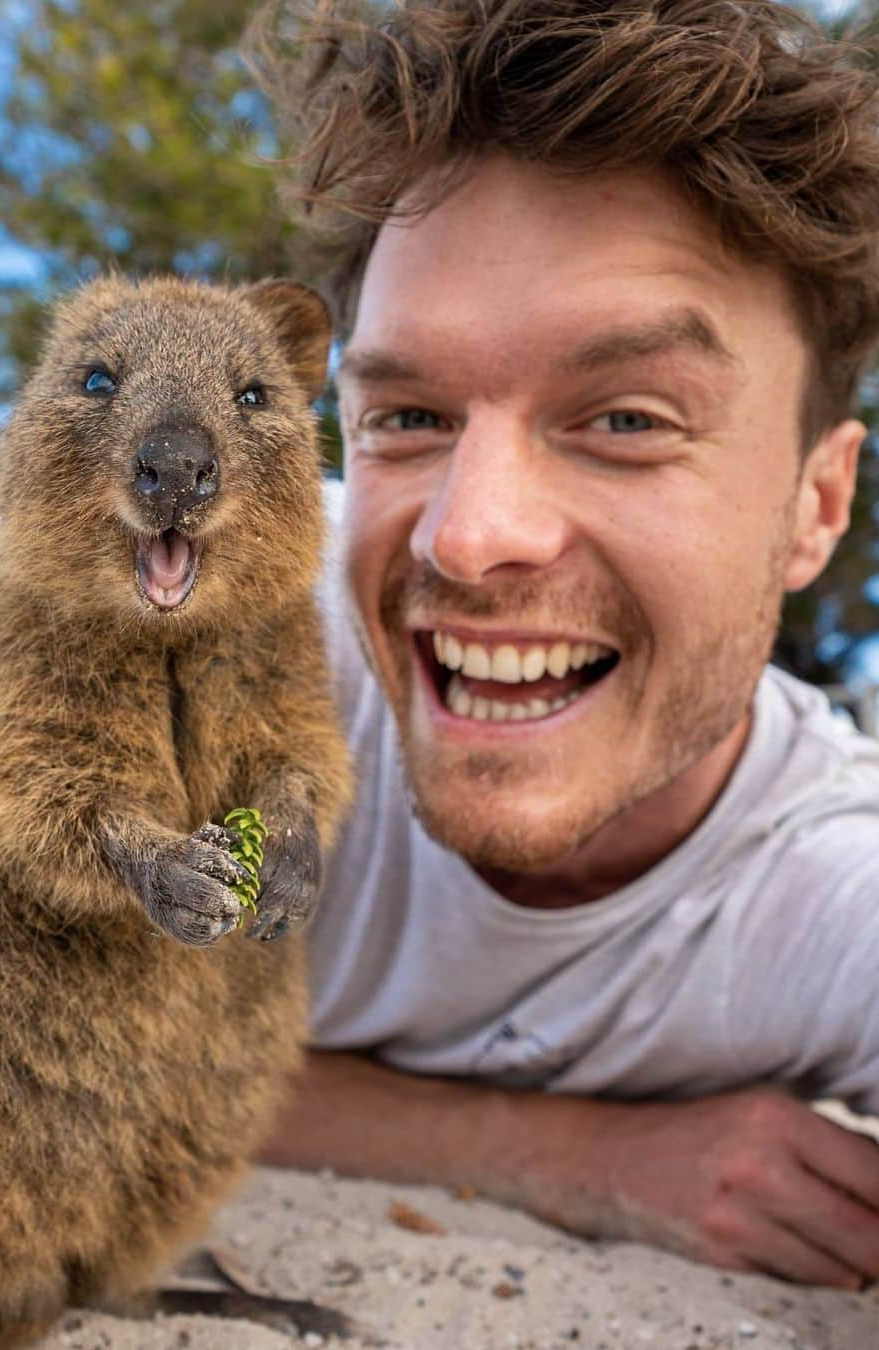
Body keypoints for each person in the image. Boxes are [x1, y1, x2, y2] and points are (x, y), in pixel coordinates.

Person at [247, 0, 879, 1289]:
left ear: (815, 506)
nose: (469, 539)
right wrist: (583, 1154)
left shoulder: (824, 893)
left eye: (630, 420)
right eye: (409, 414)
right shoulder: (225, 666)